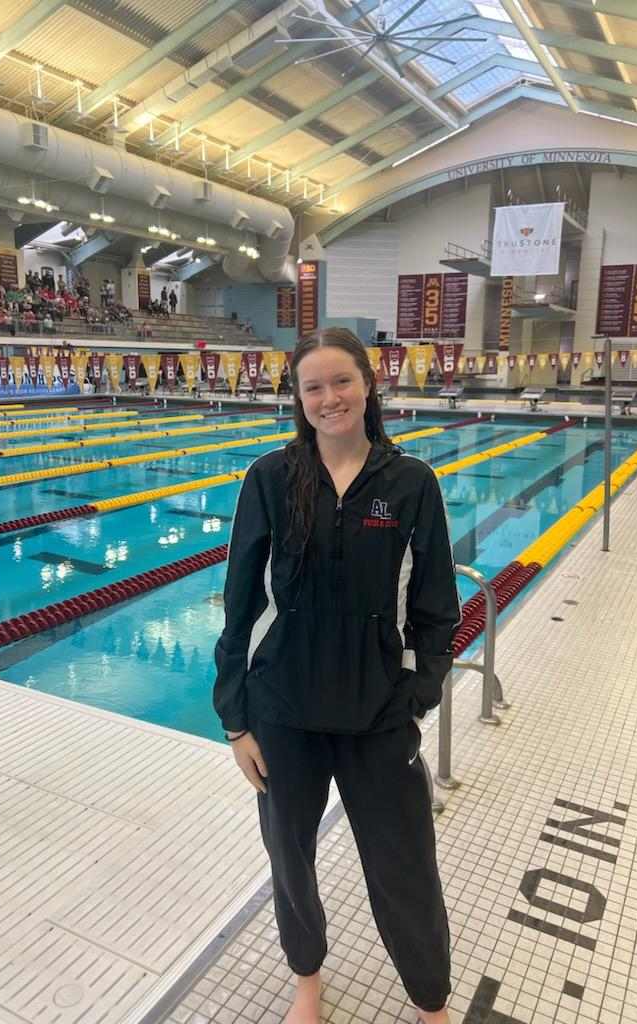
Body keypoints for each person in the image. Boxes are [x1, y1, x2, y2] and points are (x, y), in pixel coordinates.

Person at [213, 327, 460, 1024]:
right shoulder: (269, 479)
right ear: (297, 398)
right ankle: (307, 980)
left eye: (341, 382)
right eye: (313, 387)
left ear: (369, 383)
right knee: (289, 859)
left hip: (378, 715)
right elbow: (241, 605)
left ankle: (430, 999)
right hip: (283, 713)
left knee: (405, 862)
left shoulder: (410, 483)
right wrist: (237, 720)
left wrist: (419, 689)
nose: (329, 398)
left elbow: (437, 604)